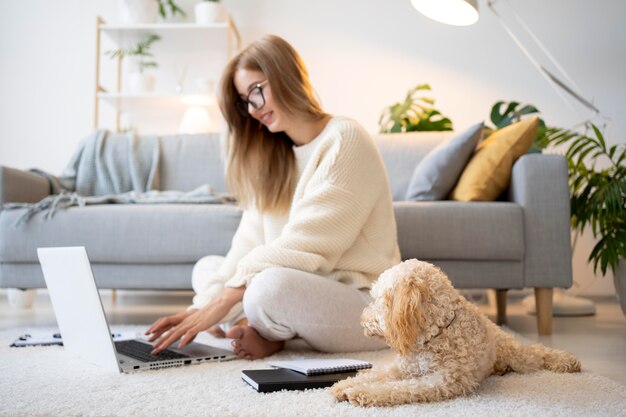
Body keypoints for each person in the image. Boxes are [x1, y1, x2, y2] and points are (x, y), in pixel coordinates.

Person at [146, 34, 400, 360]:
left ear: (285, 75)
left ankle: (260, 325)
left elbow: (308, 246)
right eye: (244, 101)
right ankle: (265, 327)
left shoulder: (345, 139)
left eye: (256, 91)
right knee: (209, 269)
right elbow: (246, 246)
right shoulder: (273, 160)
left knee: (265, 289)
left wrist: (223, 302)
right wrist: (198, 311)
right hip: (302, 289)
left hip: (365, 305)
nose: (253, 109)